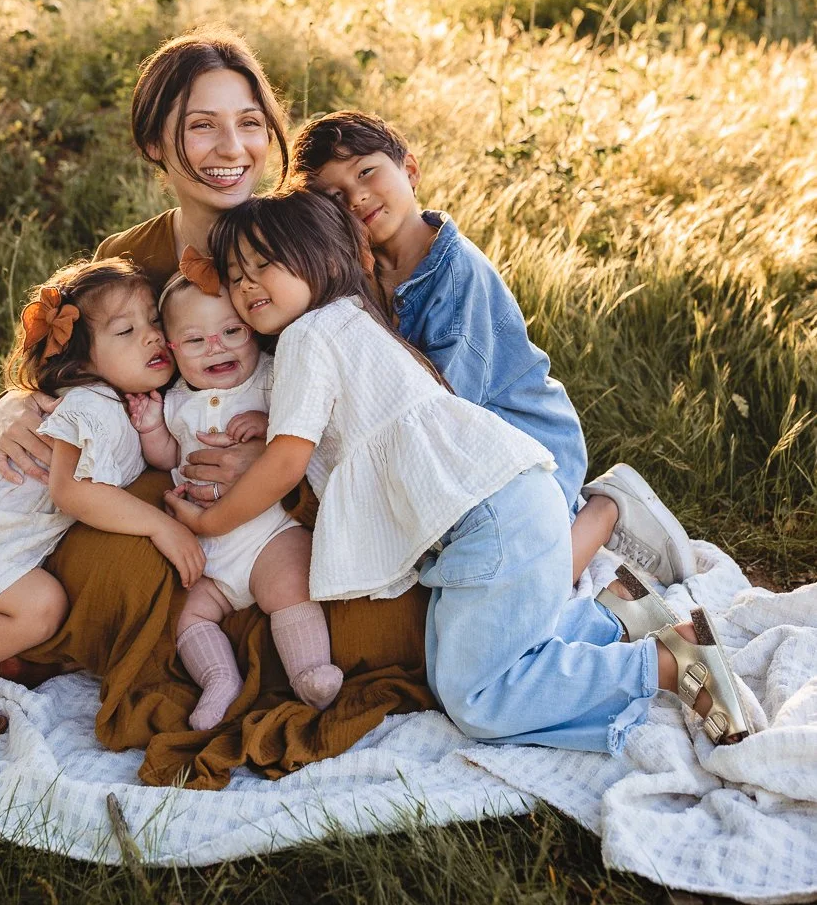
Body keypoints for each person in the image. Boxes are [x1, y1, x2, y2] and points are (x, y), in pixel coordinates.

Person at [0, 33, 431, 782]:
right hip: (178, 487)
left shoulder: (310, 237)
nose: (232, 146)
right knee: (122, 553)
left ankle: (270, 648)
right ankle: (182, 648)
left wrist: (282, 456)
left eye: (250, 122)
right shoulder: (133, 260)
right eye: (200, 125)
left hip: (310, 486)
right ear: (156, 142)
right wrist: (17, 404)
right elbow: (70, 362)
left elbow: (393, 386)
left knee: (388, 622)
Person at [166, 189, 753, 751]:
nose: (245, 286)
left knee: (475, 697)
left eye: (262, 266)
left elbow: (288, 460)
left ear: (317, 258)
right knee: (462, 663)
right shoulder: (350, 321)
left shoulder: (306, 337)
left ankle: (669, 665)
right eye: (236, 276)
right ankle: (615, 622)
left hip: (489, 519)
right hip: (504, 505)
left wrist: (216, 522)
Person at [290, 110, 695, 588]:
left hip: (523, 438)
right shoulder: (360, 271)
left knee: (531, 586)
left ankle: (606, 509)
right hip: (462, 447)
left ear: (410, 170)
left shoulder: (455, 275)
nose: (356, 197)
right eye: (335, 195)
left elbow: (442, 399)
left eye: (366, 172)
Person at [0, 257, 202, 739]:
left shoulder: (122, 402)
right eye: (125, 332)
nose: (152, 336)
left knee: (41, 601)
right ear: (82, 361)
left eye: (154, 321)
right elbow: (72, 491)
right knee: (42, 607)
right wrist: (162, 526)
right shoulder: (92, 405)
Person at [132, 257, 341, 728]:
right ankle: (219, 680)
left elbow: (306, 427)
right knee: (187, 616)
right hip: (207, 553)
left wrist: (269, 427)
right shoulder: (176, 400)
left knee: (291, 583)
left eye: (231, 332)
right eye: (194, 341)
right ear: (171, 351)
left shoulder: (271, 379)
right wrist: (149, 429)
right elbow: (169, 456)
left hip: (268, 536)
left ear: (252, 330)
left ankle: (309, 672)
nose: (215, 348)